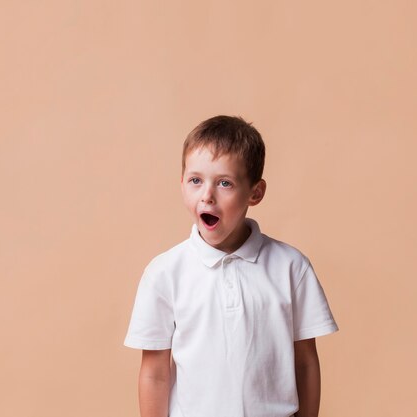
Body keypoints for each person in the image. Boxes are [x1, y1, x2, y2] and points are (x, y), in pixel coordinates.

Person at [124, 115, 339, 417]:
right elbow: (154, 372)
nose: (207, 196)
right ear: (182, 183)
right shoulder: (164, 273)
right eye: (195, 180)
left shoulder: (291, 267)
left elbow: (305, 362)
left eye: (224, 183)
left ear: (255, 192)